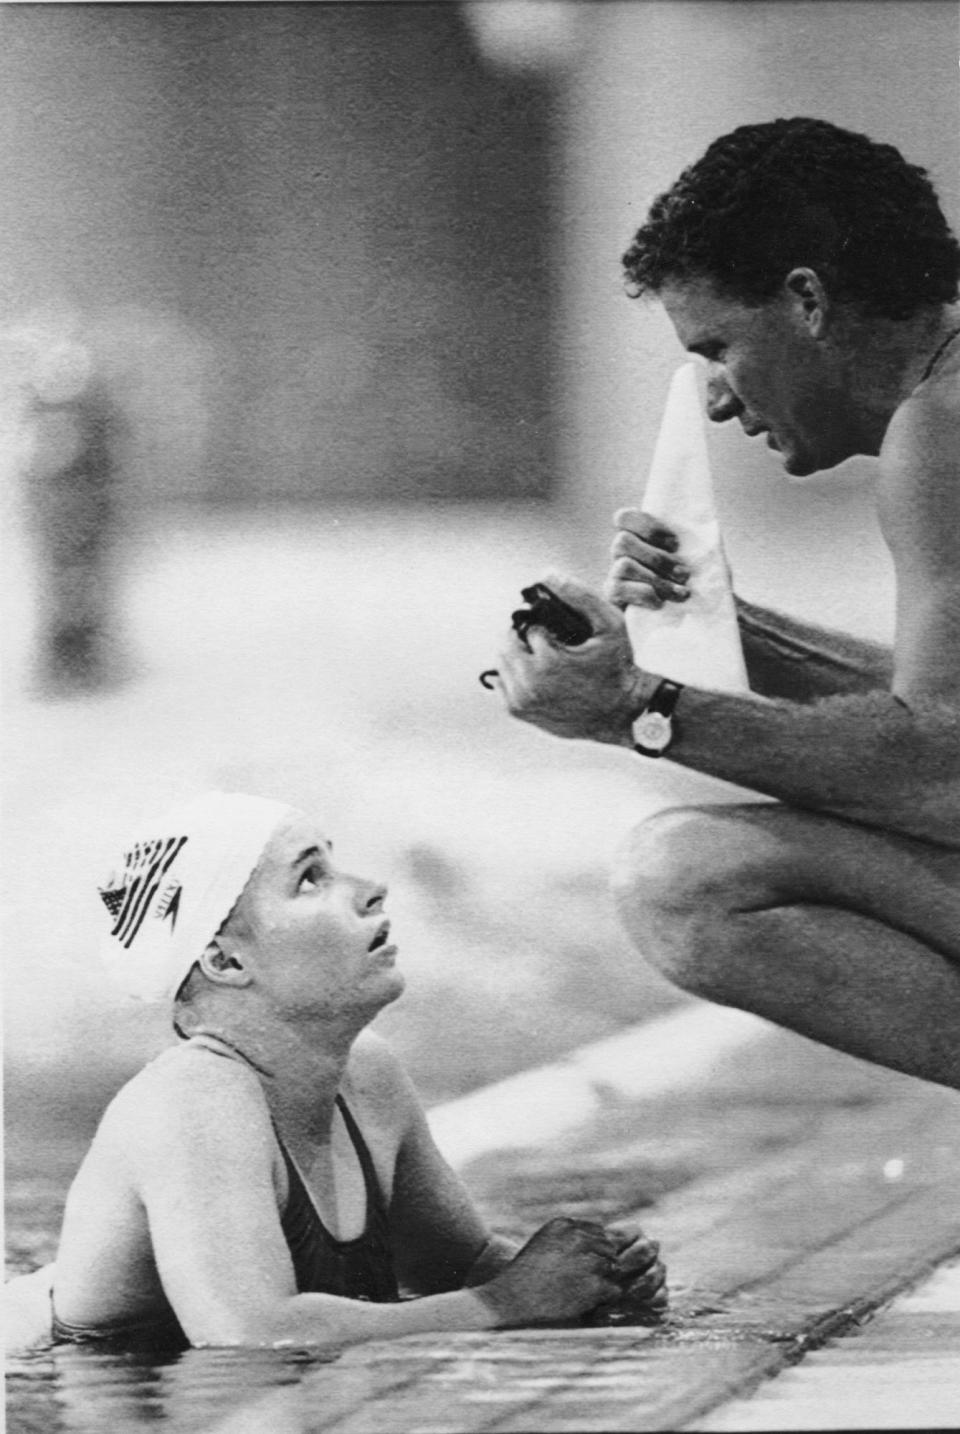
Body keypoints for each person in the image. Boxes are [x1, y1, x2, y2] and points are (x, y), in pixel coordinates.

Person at [494, 118, 960, 1090]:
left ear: (805, 300)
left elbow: (937, 772)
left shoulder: (940, 436)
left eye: (718, 348)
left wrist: (637, 711)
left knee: (689, 881)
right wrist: (728, 628)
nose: (713, 400)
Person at [18, 791, 665, 1353]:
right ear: (225, 959)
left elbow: (459, 1265)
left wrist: (587, 1278)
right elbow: (250, 1336)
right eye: (310, 879)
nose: (371, 888)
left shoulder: (368, 1074)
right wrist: (509, 1306)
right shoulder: (193, 1102)